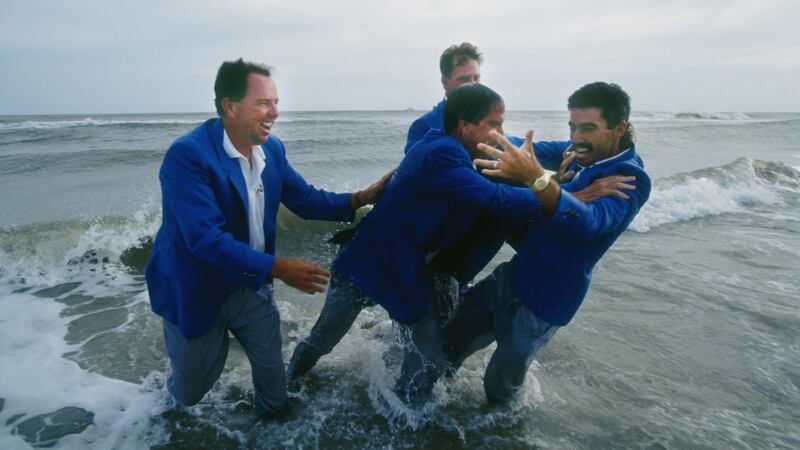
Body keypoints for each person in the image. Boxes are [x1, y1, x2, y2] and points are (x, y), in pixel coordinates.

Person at [287, 84, 630, 403]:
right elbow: (495, 197)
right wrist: (569, 192)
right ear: (465, 126)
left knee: (429, 358)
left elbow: (538, 154)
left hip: (406, 269)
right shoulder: (441, 153)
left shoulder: (456, 146)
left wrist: (580, 152)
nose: (499, 133)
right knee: (323, 339)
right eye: (494, 124)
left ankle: (407, 416)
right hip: (365, 263)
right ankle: (290, 383)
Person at [145, 58, 390, 417]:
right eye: (263, 103)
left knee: (274, 385)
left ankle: (274, 427)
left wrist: (357, 199)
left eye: (275, 102)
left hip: (250, 284)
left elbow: (304, 199)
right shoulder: (187, 156)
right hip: (196, 287)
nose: (275, 112)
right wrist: (278, 268)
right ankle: (161, 414)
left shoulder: (271, 150)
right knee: (190, 391)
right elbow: (205, 240)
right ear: (230, 106)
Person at [441, 82, 651, 403]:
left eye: (588, 128)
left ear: (619, 128)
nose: (576, 137)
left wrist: (537, 179)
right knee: (447, 346)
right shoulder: (578, 153)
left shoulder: (629, 178)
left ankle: (500, 435)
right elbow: (520, 152)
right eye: (572, 127)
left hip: (546, 301)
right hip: (512, 277)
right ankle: (426, 419)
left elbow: (589, 223)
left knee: (499, 386)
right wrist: (473, 139)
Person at [404, 42, 482, 153]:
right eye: (464, 79)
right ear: (445, 82)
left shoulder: (488, 121)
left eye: (476, 78)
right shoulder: (424, 126)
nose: (473, 85)